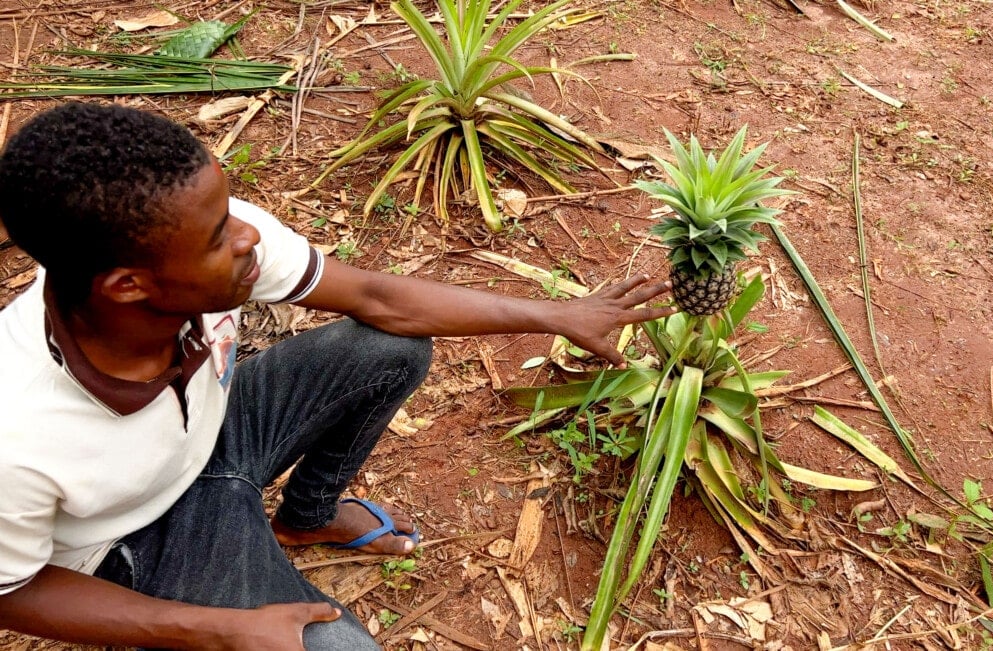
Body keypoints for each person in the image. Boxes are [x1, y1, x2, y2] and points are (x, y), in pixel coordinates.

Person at [0, 102, 674, 650]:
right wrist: (220, 630)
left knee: (390, 348)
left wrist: (560, 314)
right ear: (127, 284)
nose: (247, 239)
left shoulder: (201, 244)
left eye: (229, 214)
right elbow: (14, 593)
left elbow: (379, 300)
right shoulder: (20, 431)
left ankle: (307, 516)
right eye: (217, 236)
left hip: (215, 436)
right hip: (139, 535)